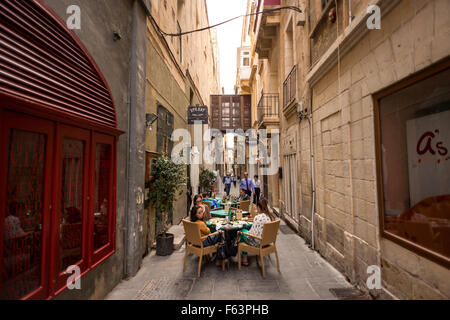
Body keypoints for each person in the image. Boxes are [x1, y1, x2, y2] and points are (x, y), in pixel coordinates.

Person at [239, 198, 276, 266]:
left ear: (258, 207)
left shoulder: (257, 217)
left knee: (241, 232)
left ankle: (244, 259)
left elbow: (252, 234)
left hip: (258, 243)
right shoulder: (270, 217)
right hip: (266, 242)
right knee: (244, 232)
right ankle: (244, 258)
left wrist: (244, 232)